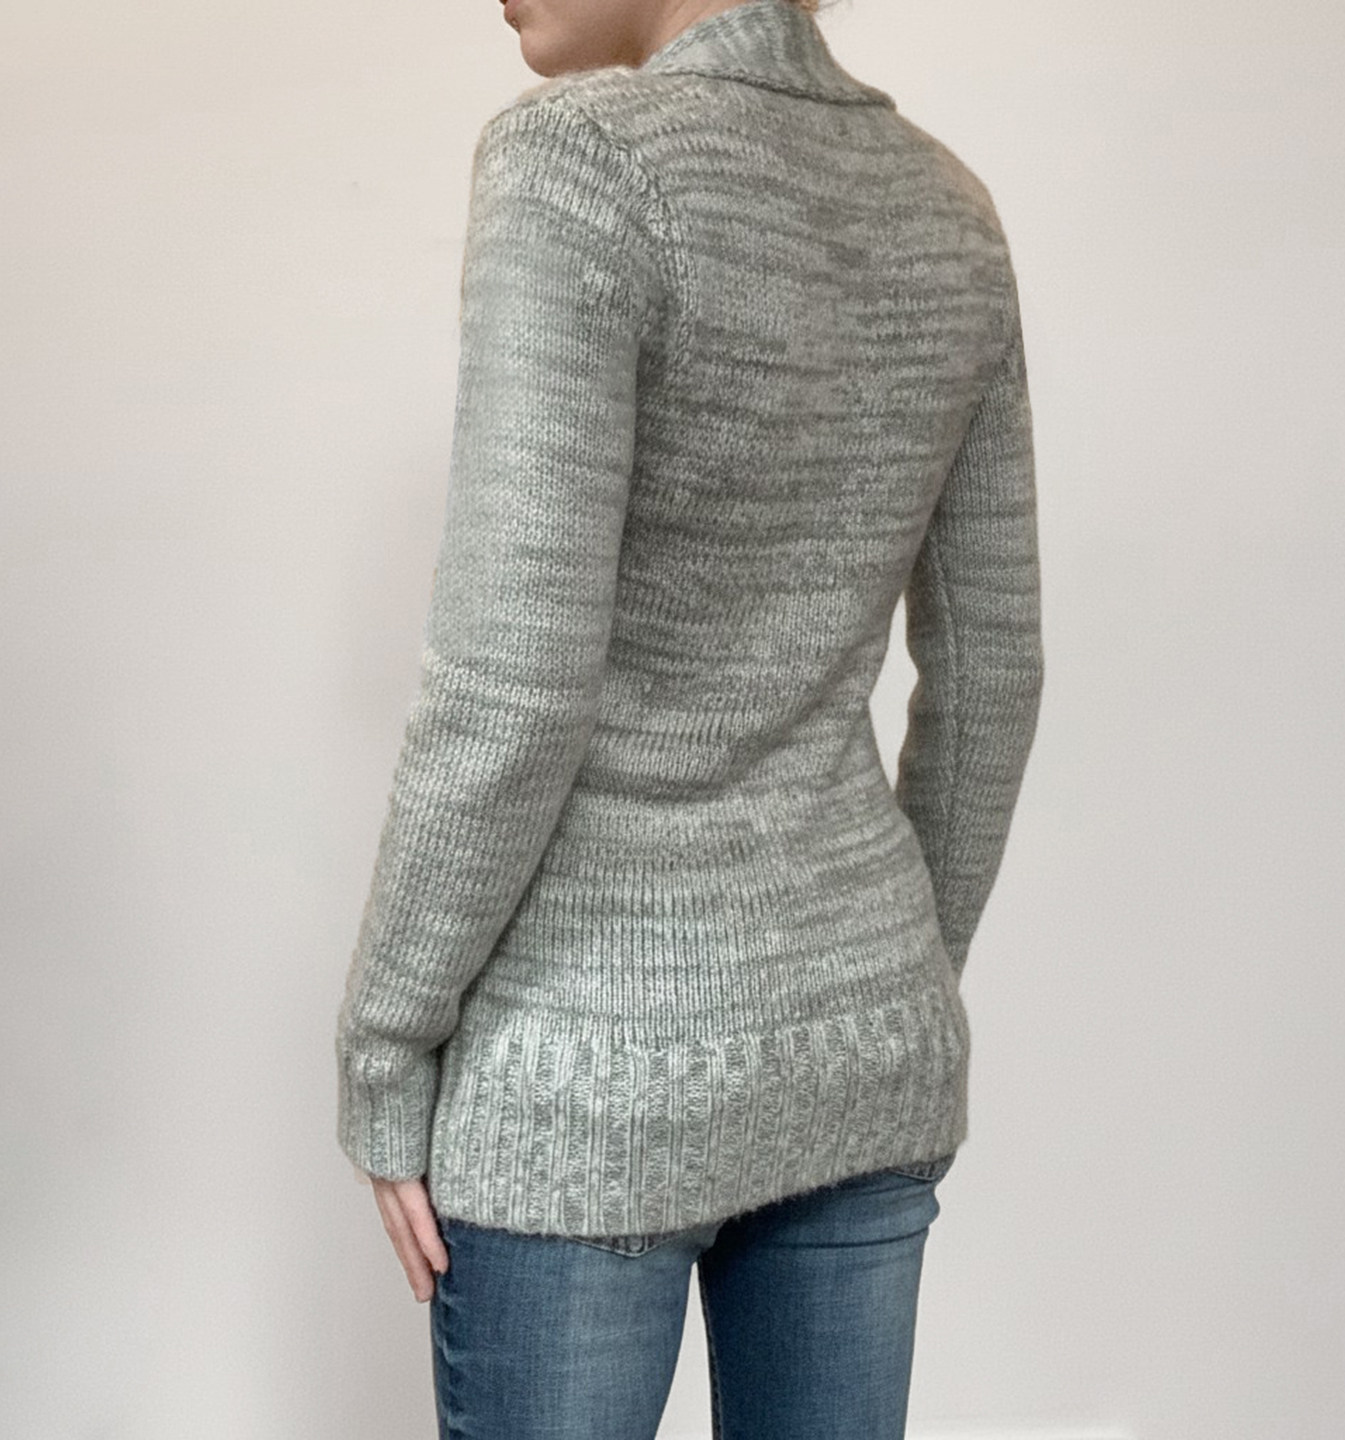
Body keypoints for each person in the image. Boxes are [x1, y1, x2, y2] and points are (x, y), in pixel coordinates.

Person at [332, 0, 1044, 1433]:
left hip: (581, 1069)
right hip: (864, 1038)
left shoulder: (579, 163)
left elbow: (513, 682)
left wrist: (386, 1040)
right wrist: (882, 983)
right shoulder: (950, 210)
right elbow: (994, 670)